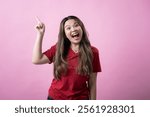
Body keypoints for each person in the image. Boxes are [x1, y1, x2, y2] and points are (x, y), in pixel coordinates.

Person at [32, 15, 101, 100]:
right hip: (55, 99)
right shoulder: (59, 49)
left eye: (76, 25)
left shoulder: (93, 52)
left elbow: (92, 83)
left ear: (81, 28)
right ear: (65, 34)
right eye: (68, 28)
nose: (73, 29)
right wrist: (40, 34)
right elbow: (36, 59)